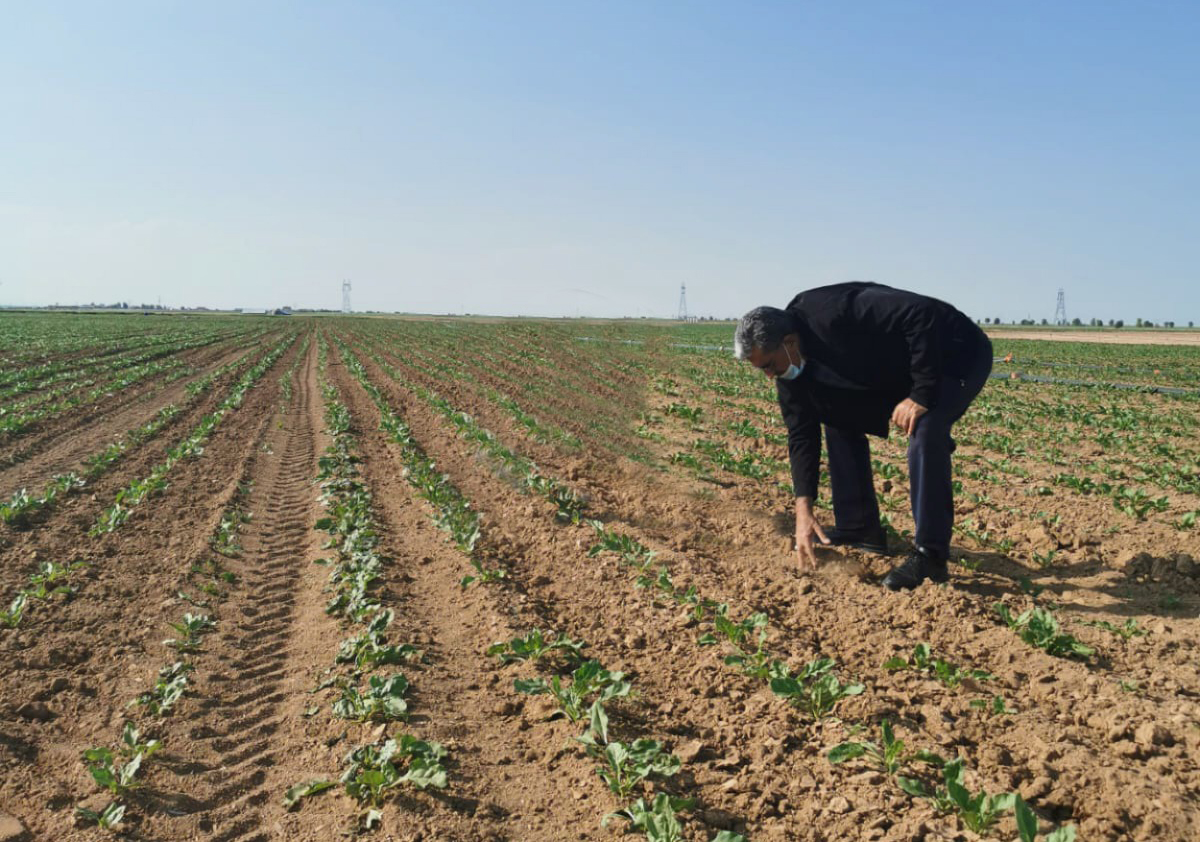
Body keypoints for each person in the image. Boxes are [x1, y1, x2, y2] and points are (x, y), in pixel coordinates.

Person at [733, 282, 992, 590]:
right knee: (834, 411)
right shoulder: (790, 376)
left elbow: (921, 312)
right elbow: (801, 435)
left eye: (769, 365)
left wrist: (922, 394)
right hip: (895, 368)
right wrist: (803, 510)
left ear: (789, 342)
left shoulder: (834, 310)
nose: (769, 376)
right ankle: (859, 528)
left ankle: (930, 557)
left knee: (926, 431)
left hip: (953, 354)